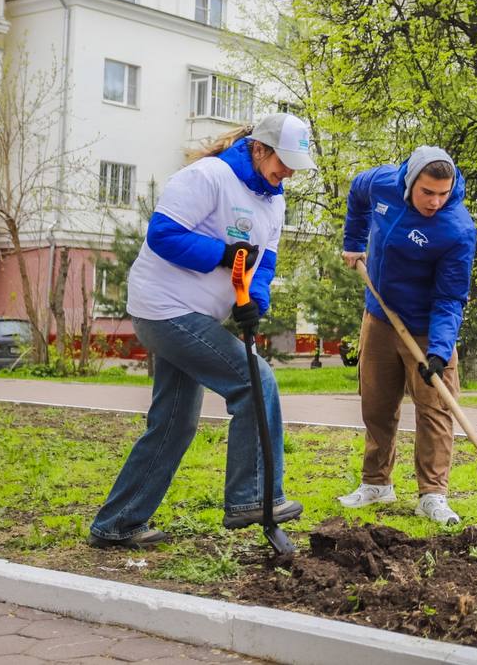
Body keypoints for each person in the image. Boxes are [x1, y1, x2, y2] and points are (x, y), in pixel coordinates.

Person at [88, 113, 315, 547]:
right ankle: (251, 498)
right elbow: (164, 235)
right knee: (254, 380)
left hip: (197, 315)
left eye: (293, 166)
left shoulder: (274, 202)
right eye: (282, 161)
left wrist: (254, 304)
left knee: (175, 422)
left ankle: (117, 523)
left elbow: (263, 264)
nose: (286, 172)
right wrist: (224, 254)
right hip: (164, 308)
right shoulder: (209, 176)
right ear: (259, 148)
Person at [338, 146, 477, 525]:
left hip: (427, 326)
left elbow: (450, 297)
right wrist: (353, 241)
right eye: (427, 192)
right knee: (376, 403)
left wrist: (439, 350)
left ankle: (432, 494)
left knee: (435, 410)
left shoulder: (457, 230)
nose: (435, 201)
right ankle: (376, 483)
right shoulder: (383, 182)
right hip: (380, 314)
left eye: (443, 193)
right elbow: (356, 191)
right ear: (410, 182)